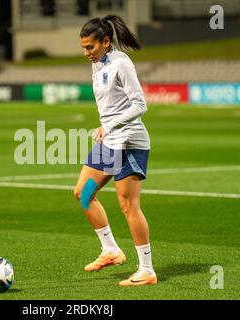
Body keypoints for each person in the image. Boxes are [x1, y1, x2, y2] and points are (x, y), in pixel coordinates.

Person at [73, 15, 156, 286]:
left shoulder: (121, 63)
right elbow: (112, 106)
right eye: (83, 47)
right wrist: (106, 126)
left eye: (90, 47)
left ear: (106, 42)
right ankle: (110, 250)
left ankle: (146, 270)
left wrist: (110, 126)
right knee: (83, 194)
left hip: (130, 141)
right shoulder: (98, 64)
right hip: (110, 141)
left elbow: (139, 104)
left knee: (127, 205)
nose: (86, 53)